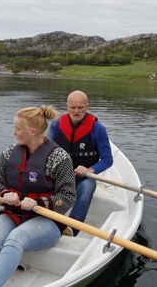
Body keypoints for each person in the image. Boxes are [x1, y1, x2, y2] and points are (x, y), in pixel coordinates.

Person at [0, 105, 77, 287]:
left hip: (46, 220)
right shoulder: (10, 153)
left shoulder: (59, 158)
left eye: (18, 128)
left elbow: (68, 196)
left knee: (15, 238)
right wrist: (5, 193)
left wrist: (39, 202)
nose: (14, 132)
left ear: (32, 131)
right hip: (13, 215)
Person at [45, 90, 113, 232]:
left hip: (84, 178)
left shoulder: (98, 129)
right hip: (60, 175)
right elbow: (45, 152)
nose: (76, 111)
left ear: (87, 107)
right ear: (67, 107)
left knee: (86, 190)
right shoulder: (56, 125)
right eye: (72, 107)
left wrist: (89, 170)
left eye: (80, 107)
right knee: (40, 184)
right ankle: (47, 222)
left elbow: (107, 159)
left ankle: (72, 228)